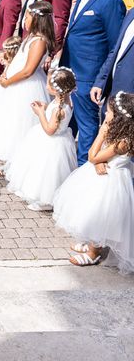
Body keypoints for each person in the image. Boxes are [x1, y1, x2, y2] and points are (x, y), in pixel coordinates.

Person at [53, 92, 134, 269]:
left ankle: (94, 252)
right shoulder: (119, 132)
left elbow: (92, 155)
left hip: (111, 182)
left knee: (100, 215)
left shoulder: (123, 141)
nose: (106, 115)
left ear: (119, 118)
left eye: (109, 113)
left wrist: (101, 132)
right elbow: (98, 158)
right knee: (87, 209)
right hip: (101, 174)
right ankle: (91, 240)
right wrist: (98, 162)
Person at [60, 0, 126, 165]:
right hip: (71, 70)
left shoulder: (111, 1)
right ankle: (65, 167)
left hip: (88, 77)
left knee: (87, 129)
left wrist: (100, 81)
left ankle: (82, 173)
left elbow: (115, 46)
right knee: (66, 125)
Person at [0, 2, 52, 164]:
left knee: (21, 124)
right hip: (15, 83)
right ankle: (10, 160)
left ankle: (18, 161)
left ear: (37, 19)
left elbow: (28, 70)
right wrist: (5, 73)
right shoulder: (31, 37)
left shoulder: (39, 41)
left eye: (28, 16)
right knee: (9, 122)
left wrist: (7, 82)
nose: (25, 20)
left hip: (26, 86)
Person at [4, 67, 77, 211]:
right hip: (61, 139)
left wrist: (41, 113)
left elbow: (50, 130)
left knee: (45, 172)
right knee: (44, 170)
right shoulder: (67, 102)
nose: (45, 86)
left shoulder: (58, 108)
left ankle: (45, 200)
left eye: (48, 84)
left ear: (55, 89)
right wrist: (46, 106)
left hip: (51, 142)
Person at [92, 7, 134, 110]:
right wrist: (101, 81)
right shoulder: (131, 13)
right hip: (113, 91)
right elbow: (116, 50)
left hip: (129, 99)